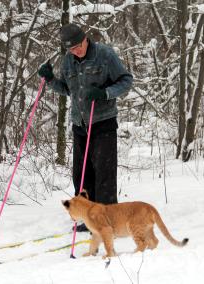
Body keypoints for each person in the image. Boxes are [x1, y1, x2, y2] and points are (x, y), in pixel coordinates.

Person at [38, 23, 133, 231]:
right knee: (82, 174)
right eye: (71, 49)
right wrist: (50, 79)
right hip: (80, 123)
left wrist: (105, 93)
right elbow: (66, 89)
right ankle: (89, 219)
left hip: (103, 122)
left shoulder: (104, 55)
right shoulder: (68, 62)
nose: (77, 51)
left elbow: (126, 80)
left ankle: (107, 221)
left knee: (104, 174)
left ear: (85, 39)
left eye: (78, 46)